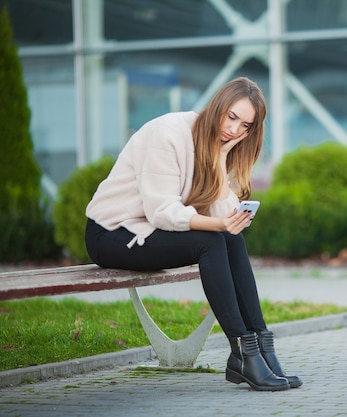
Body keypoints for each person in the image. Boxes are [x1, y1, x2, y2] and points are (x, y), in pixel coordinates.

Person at [84, 77, 301, 392]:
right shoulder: (168, 134)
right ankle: (242, 353)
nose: (235, 129)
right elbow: (162, 211)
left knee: (230, 238)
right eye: (231, 116)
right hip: (112, 232)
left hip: (148, 230)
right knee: (211, 239)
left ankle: (260, 347)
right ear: (217, 106)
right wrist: (219, 225)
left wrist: (219, 160)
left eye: (245, 125)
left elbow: (223, 217)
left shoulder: (216, 145)